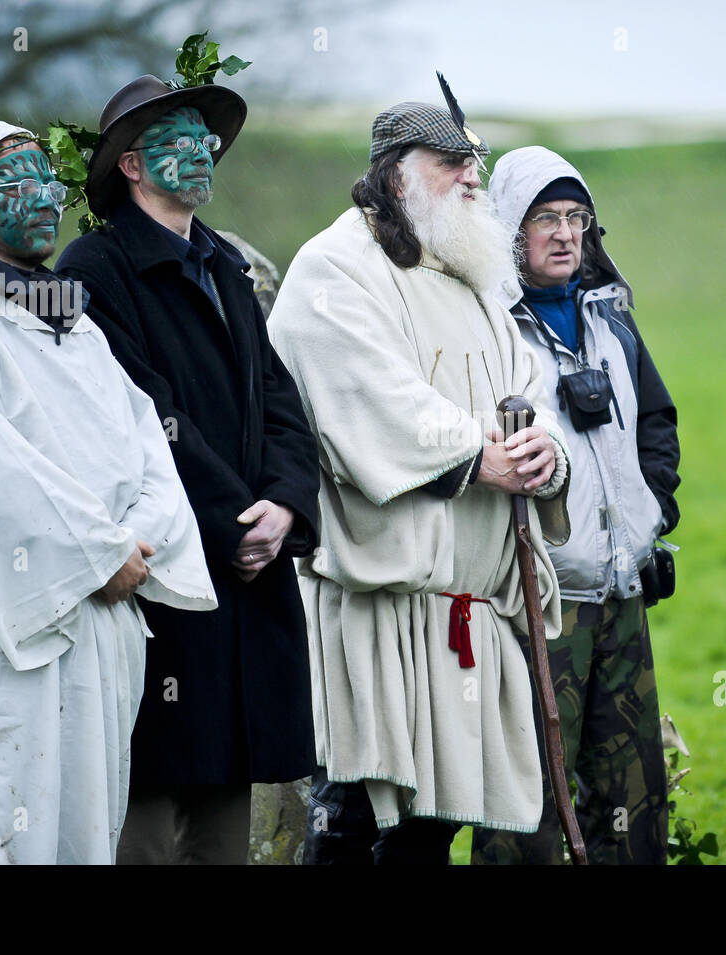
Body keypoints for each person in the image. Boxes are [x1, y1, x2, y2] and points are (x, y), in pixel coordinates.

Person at [0, 111, 216, 864]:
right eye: (14, 180)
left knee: (87, 815)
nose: (40, 195)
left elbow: (144, 446)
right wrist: (100, 554)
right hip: (14, 608)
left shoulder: (72, 323)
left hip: (107, 596)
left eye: (47, 179)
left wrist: (138, 542)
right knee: (8, 811)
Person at [266, 81, 572, 864]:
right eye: (452, 163)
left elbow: (526, 385)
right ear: (398, 173)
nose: (474, 177)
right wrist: (479, 454)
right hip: (381, 606)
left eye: (476, 162)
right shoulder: (334, 268)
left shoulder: (470, 274)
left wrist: (542, 448)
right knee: (356, 816)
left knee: (435, 826)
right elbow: (370, 395)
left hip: (467, 614)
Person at [57, 76, 321, 864]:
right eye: (178, 138)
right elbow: (142, 414)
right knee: (143, 815)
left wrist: (283, 506)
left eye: (206, 137)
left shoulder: (227, 266)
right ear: (132, 167)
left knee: (223, 819)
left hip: (245, 574)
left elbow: (279, 399)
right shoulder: (97, 269)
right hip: (161, 571)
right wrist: (233, 519)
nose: (202, 149)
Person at [469, 146, 679, 865]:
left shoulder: (609, 316)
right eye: (545, 219)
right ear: (507, 231)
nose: (565, 234)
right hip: (537, 602)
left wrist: (654, 514)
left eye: (577, 218)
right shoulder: (487, 328)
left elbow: (657, 420)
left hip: (622, 595)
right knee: (526, 803)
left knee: (634, 799)